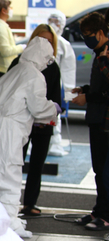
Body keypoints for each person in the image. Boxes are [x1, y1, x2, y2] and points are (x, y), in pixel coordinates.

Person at [0, 37, 60, 238]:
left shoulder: (15, 70)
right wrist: (53, 108)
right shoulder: (34, 75)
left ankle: (4, 217)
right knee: (10, 172)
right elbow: (38, 107)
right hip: (9, 129)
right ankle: (9, 225)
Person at [7, 25, 60, 217]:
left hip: (42, 126)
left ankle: (30, 203)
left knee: (37, 165)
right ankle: (10, 203)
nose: (43, 44)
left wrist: (48, 115)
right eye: (40, 39)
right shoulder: (19, 63)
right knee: (14, 162)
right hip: (19, 123)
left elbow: (55, 99)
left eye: (48, 41)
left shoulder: (53, 68)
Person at [71, 12, 109, 231]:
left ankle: (104, 215)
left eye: (89, 35)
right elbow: (101, 88)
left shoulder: (105, 53)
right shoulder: (99, 53)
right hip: (96, 119)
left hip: (105, 121)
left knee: (105, 172)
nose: (86, 40)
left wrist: (89, 97)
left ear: (101, 32)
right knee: (98, 169)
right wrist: (85, 90)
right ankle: (99, 211)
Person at [48, 9, 77, 157]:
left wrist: (69, 94)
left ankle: (55, 142)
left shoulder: (64, 45)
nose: (53, 24)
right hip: (39, 85)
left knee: (55, 115)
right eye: (51, 21)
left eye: (56, 22)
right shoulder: (42, 40)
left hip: (55, 86)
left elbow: (69, 70)